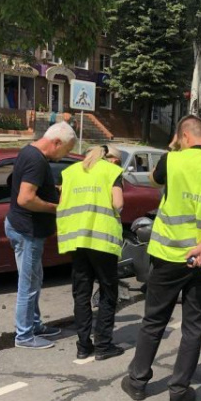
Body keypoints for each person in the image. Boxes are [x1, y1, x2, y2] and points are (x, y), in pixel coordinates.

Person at [122, 115, 201, 401]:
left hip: (169, 256)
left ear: (184, 137)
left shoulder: (171, 161)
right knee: (193, 326)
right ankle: (179, 393)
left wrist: (172, 149)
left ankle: (137, 381)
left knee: (154, 320)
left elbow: (153, 180)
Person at [5, 121, 76, 349]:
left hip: (23, 227)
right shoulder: (36, 160)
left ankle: (34, 325)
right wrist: (56, 208)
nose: (64, 155)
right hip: (28, 231)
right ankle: (24, 335)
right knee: (29, 284)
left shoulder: (29, 151)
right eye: (65, 150)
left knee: (35, 279)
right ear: (56, 142)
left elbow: (29, 187)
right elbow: (25, 198)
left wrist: (53, 190)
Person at [57, 145, 126, 361]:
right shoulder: (111, 172)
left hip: (77, 239)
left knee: (81, 293)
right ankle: (104, 345)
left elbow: (63, 203)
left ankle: (83, 345)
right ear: (113, 160)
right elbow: (118, 204)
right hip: (102, 240)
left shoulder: (70, 172)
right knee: (108, 292)